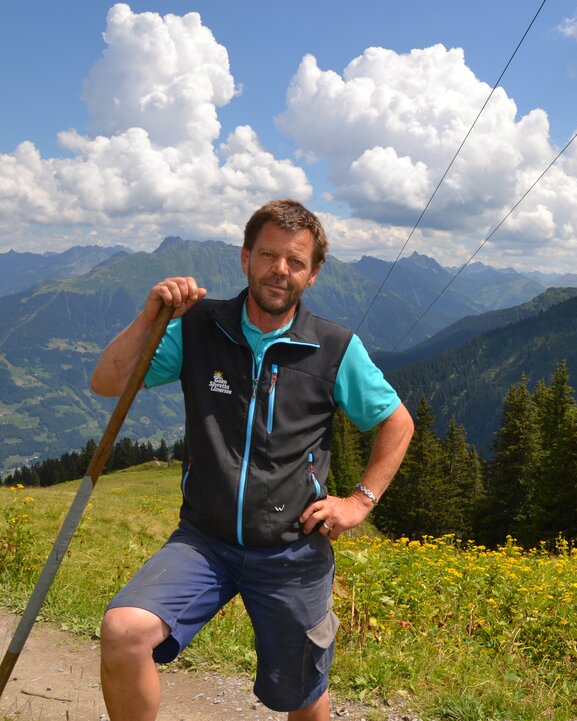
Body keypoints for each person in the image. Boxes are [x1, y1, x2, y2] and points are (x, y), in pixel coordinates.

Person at [89, 199, 414, 721]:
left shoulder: (334, 348)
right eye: (267, 255)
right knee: (124, 632)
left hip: (292, 554)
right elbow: (107, 382)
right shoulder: (197, 327)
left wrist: (360, 501)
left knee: (302, 698)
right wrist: (149, 320)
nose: (279, 270)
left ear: (313, 274)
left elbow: (398, 422)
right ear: (245, 258)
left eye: (295, 261)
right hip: (203, 541)